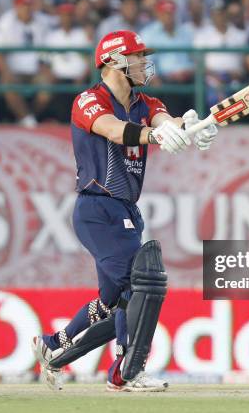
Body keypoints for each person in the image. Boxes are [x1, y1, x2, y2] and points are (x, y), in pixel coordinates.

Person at [32, 29, 218, 392]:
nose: (143, 63)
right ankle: (125, 372)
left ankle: (53, 346)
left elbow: (166, 122)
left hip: (125, 210)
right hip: (97, 208)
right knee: (140, 282)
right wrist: (155, 135)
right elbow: (115, 131)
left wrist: (191, 127)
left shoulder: (146, 103)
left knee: (113, 301)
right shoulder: (88, 100)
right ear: (114, 62)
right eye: (136, 56)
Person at [0, 0, 52, 127]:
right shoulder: (6, 21)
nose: (27, 8)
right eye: (24, 5)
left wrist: (45, 69)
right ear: (16, 7)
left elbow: (46, 51)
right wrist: (6, 71)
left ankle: (27, 119)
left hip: (35, 70)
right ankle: (28, 121)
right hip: (14, 70)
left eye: (29, 5)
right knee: (7, 83)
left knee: (46, 89)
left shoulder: (41, 21)